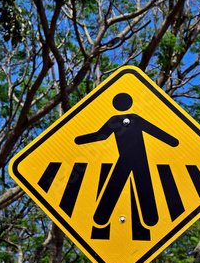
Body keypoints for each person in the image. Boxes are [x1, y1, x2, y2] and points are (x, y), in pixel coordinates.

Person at [75, 93, 179, 228]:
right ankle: (148, 219)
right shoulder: (126, 119)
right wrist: (78, 140)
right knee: (139, 185)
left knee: (128, 184)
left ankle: (103, 217)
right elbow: (154, 131)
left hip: (132, 158)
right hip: (131, 158)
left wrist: (173, 141)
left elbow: (100, 136)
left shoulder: (120, 120)